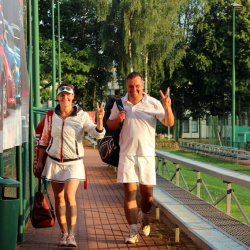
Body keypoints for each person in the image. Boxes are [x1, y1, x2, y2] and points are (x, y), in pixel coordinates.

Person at [106, 72, 174, 244]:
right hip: (126, 155)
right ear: (126, 87)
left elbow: (169, 122)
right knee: (130, 194)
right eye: (130, 86)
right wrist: (119, 120)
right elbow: (110, 124)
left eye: (137, 86)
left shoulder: (153, 103)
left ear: (142, 86)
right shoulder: (120, 103)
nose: (134, 89)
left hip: (146, 156)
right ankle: (133, 230)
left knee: (147, 197)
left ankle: (145, 215)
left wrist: (167, 107)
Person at [36, 82, 105, 247]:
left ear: (73, 97)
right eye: (62, 95)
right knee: (59, 199)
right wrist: (39, 161)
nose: (65, 98)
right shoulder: (51, 116)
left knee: (69, 196)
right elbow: (45, 140)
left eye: (68, 95)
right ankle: (64, 233)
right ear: (58, 97)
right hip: (53, 162)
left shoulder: (81, 116)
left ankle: (72, 235)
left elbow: (96, 133)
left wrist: (100, 120)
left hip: (73, 163)